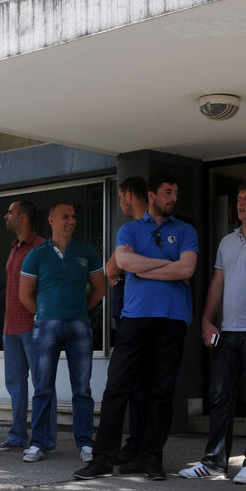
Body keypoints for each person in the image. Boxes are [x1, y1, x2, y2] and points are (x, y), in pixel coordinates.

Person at [74, 173, 198, 482]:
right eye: (168, 190)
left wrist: (144, 267)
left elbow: (188, 268)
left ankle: (152, 459)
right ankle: (102, 459)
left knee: (161, 392)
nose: (174, 197)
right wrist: (166, 267)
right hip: (135, 317)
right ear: (152, 196)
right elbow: (124, 264)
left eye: (176, 192)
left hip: (173, 318)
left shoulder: (186, 230)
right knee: (117, 388)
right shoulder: (129, 228)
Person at [180, 180, 246, 484]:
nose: (240, 204)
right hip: (228, 331)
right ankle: (213, 463)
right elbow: (218, 283)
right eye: (238, 199)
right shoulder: (227, 242)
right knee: (220, 397)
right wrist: (207, 320)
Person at [18, 202, 105, 463]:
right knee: (43, 387)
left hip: (79, 325)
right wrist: (45, 313)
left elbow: (99, 290)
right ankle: (39, 443)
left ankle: (85, 443)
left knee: (82, 388)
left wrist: (79, 310)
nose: (71, 221)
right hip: (46, 326)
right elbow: (24, 295)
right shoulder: (37, 253)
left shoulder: (86, 252)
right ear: (52, 221)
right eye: (65, 216)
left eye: (74, 216)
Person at [104, 177, 150, 473]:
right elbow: (111, 269)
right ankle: (131, 446)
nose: (120, 203)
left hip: (143, 318)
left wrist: (125, 267)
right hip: (126, 315)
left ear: (127, 195)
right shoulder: (127, 232)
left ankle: (139, 448)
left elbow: (116, 269)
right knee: (129, 385)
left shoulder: (141, 230)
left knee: (141, 386)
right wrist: (121, 268)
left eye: (120, 198)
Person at [0, 200, 44, 452]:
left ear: (23, 218)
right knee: (15, 384)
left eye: (9, 212)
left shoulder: (42, 247)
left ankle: (43, 440)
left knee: (42, 383)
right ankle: (17, 437)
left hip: (32, 326)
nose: (5, 216)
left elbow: (45, 288)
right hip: (10, 327)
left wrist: (41, 317)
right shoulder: (14, 247)